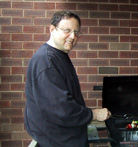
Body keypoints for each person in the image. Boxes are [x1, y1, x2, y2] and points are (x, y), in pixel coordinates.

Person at [24, 10, 111, 147]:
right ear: (52, 29)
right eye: (67, 30)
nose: (72, 36)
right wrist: (93, 114)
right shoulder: (45, 61)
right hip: (57, 141)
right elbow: (61, 109)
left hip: (67, 137)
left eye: (76, 32)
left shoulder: (59, 55)